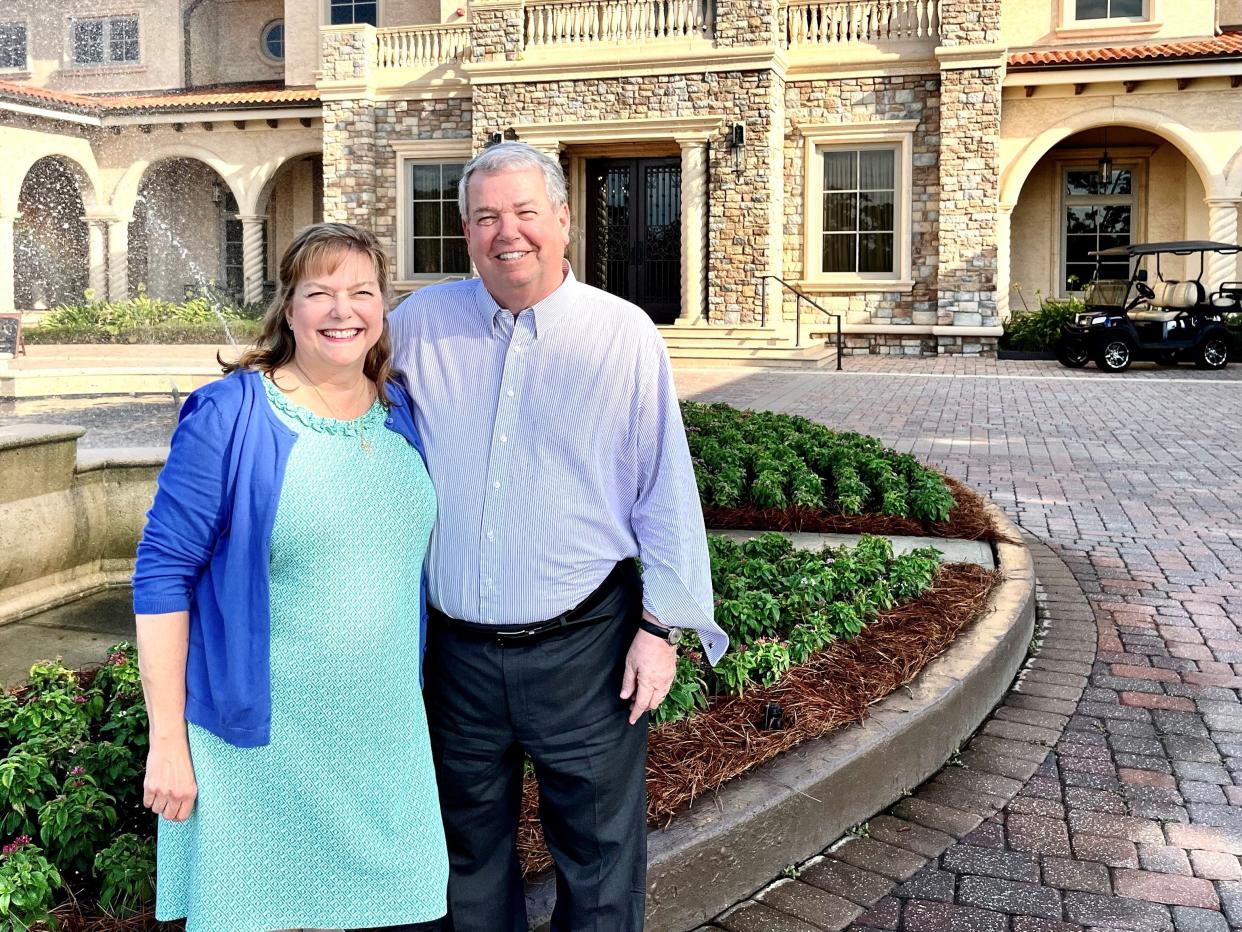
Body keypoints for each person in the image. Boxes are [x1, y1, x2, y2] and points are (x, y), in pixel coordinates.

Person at [389, 142, 729, 931]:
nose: (507, 233)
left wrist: (659, 628)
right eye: (485, 217)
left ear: (564, 221)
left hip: (587, 654)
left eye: (524, 212)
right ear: (466, 230)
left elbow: (664, 490)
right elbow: (338, 406)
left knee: (601, 864)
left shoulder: (624, 334)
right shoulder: (416, 327)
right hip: (456, 659)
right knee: (463, 864)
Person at [132, 222, 448, 932]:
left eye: (362, 291)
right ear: (289, 307)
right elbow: (161, 574)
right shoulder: (230, 413)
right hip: (259, 754)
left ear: (383, 307)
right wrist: (167, 742)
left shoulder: (402, 412)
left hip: (386, 748)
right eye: (321, 292)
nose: (343, 310)